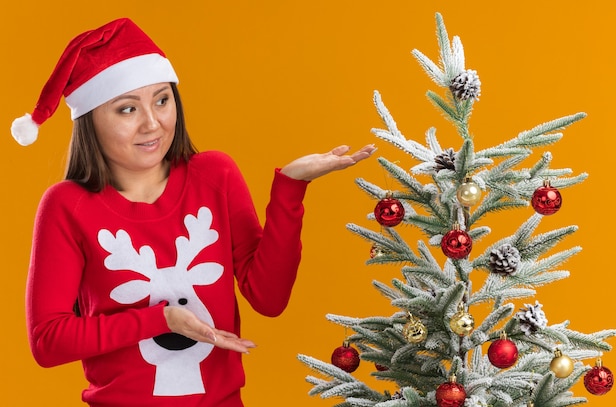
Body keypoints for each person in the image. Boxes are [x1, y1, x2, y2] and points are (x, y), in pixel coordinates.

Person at [11, 18, 375, 407]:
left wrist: (290, 188)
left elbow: (269, 299)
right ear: (90, 121)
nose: (153, 123)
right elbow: (48, 342)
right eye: (127, 109)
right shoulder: (67, 206)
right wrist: (161, 320)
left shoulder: (214, 175)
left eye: (162, 100)